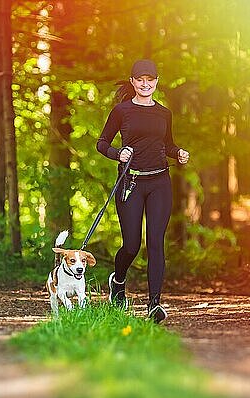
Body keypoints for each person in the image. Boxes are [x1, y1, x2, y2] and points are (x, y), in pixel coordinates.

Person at [96, 59, 189, 323]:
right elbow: (101, 143)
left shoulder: (164, 113)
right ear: (133, 82)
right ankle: (118, 281)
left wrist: (178, 152)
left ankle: (154, 305)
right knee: (131, 245)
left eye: (150, 80)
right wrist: (118, 154)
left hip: (160, 182)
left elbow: (167, 144)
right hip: (131, 183)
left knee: (156, 243)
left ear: (157, 81)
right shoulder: (121, 111)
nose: (146, 84)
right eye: (140, 80)